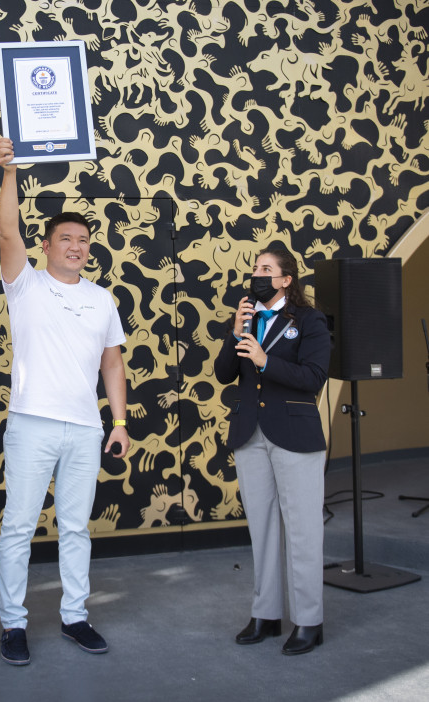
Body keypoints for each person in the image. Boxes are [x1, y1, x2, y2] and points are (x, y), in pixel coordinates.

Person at [0, 137, 130, 665]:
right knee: (19, 527)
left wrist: (118, 422)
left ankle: (75, 617)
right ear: (47, 246)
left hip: (85, 429)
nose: (76, 247)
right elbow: (8, 230)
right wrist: (10, 172)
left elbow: (112, 364)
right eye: (66, 239)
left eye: (83, 241)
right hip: (32, 424)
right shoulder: (24, 284)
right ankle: (13, 624)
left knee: (76, 528)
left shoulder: (101, 298)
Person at [214, 245, 331, 656]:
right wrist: (235, 332)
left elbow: (314, 377)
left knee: (302, 530)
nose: (257, 275)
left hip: (295, 434)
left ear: (286, 279)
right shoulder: (247, 318)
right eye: (254, 268)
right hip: (250, 433)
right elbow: (224, 373)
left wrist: (265, 361)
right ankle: (265, 614)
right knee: (261, 528)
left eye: (266, 269)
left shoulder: (310, 320)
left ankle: (309, 621)